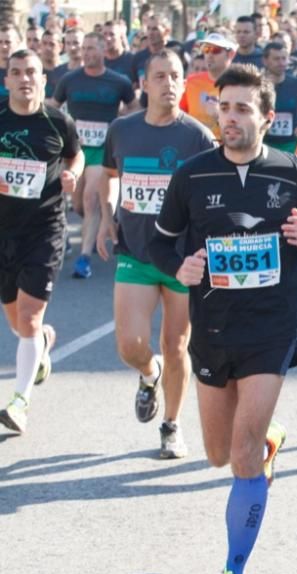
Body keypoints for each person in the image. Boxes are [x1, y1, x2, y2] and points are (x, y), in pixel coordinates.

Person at [148, 64, 297, 574]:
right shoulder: (192, 175)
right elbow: (158, 244)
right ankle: (267, 437)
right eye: (223, 107)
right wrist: (180, 266)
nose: (230, 118)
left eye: (242, 109)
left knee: (244, 456)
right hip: (212, 329)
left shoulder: (292, 170)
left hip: (270, 328)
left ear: (265, 116)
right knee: (218, 454)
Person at [96, 50, 215, 458]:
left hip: (183, 260)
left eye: (176, 76)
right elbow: (111, 176)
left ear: (184, 84)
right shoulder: (122, 130)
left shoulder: (198, 136)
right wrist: (106, 218)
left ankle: (172, 425)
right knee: (130, 344)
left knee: (177, 343)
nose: (168, 83)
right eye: (160, 76)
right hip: (136, 252)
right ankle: (150, 373)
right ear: (144, 84)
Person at [0, 49, 82, 433]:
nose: (24, 79)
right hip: (3, 232)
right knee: (18, 322)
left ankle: (19, 402)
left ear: (43, 79)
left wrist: (73, 176)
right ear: (7, 80)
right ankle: (41, 346)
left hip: (44, 228)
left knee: (30, 317)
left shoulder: (57, 121)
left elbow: (75, 157)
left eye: (31, 72)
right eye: (16, 73)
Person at [53, 31, 137, 280]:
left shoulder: (118, 81)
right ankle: (103, 221)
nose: (87, 52)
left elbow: (134, 107)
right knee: (78, 204)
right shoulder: (69, 79)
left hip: (104, 149)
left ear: (103, 50)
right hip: (77, 148)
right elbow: (54, 108)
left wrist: (123, 125)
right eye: (84, 48)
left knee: (90, 198)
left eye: (92, 48)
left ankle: (84, 257)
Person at [180, 32, 237, 139]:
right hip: (195, 146)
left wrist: (220, 115)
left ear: (231, 54)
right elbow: (180, 115)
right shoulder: (191, 81)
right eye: (206, 49)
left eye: (216, 50)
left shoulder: (240, 85)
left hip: (225, 148)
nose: (210, 55)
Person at [261, 41, 297, 154]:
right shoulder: (256, 85)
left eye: (284, 58)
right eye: (276, 59)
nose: (281, 63)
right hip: (264, 144)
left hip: (291, 145)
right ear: (265, 61)